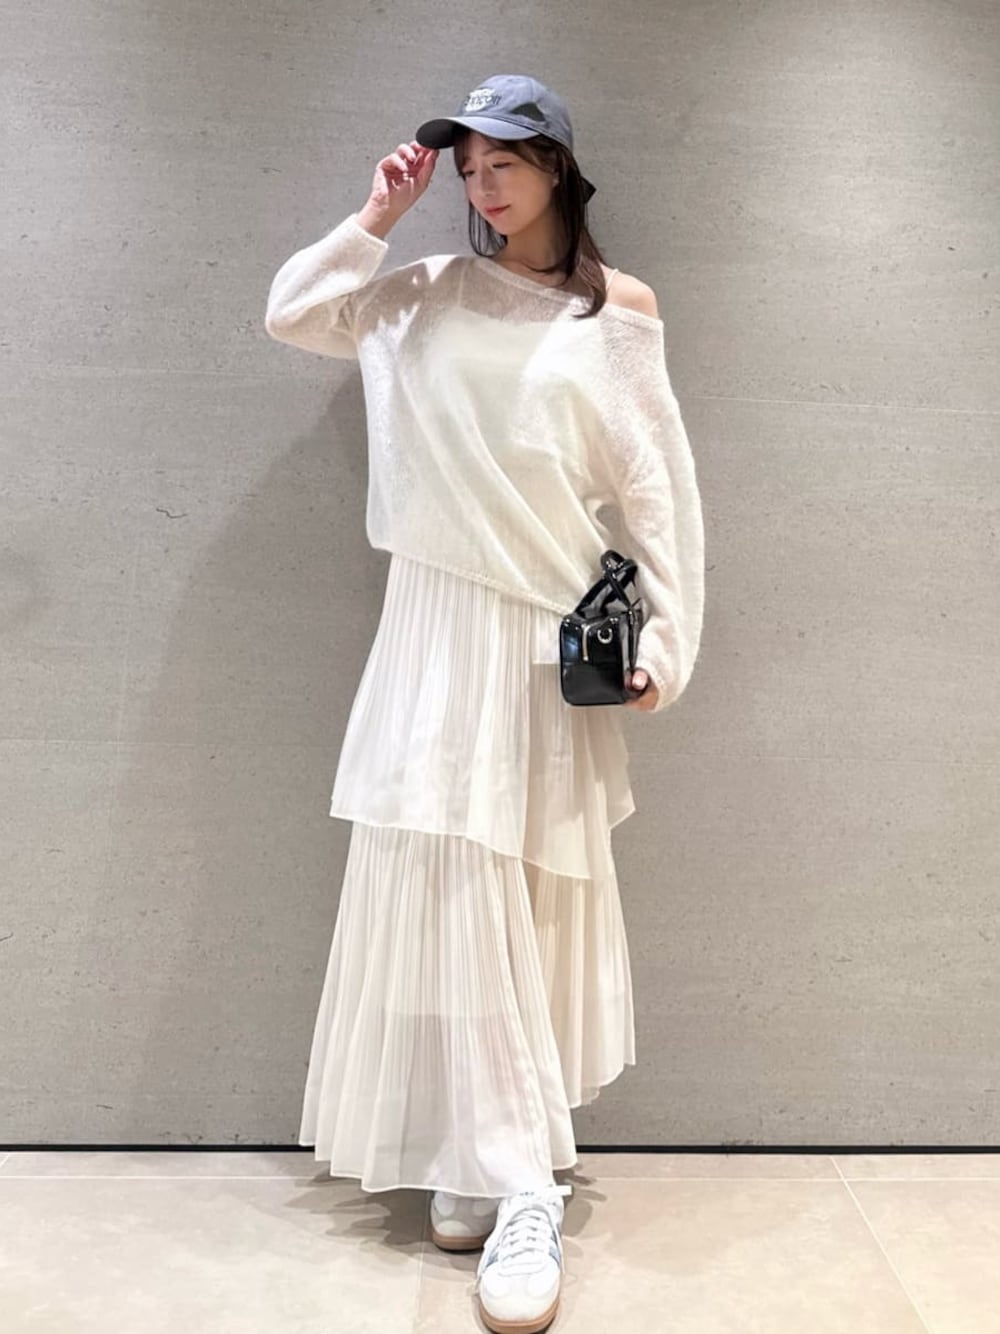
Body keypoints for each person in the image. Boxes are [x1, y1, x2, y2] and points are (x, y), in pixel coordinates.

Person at [264, 73, 705, 1334]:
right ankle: (504, 1166)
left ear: (555, 163)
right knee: (450, 881)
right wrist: (376, 214)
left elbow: (656, 489)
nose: (481, 183)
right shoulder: (422, 291)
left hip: (538, 636)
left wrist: (665, 639)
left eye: (503, 158)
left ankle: (509, 1175)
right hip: (429, 623)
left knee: (511, 890)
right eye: (466, 166)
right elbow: (294, 312)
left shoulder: (618, 313)